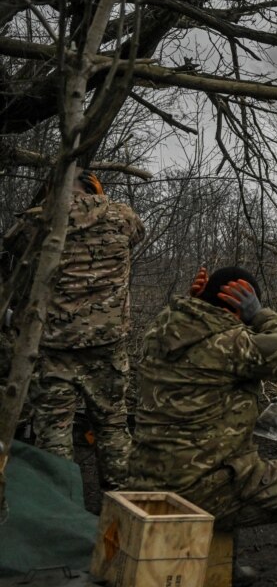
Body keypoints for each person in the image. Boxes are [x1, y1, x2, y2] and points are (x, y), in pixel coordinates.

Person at [128, 266, 277, 532]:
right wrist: (259, 314)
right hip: (198, 491)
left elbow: (192, 319)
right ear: (238, 307)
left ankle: (217, 565)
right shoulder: (234, 345)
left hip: (145, 479)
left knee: (231, 461)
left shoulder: (159, 330)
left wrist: (197, 303)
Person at [1, 170, 144, 490]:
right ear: (95, 188)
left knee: (54, 432)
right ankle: (122, 510)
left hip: (52, 346)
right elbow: (138, 235)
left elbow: (12, 246)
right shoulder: (122, 216)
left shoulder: (37, 221)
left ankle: (63, 513)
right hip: (105, 342)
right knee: (112, 426)